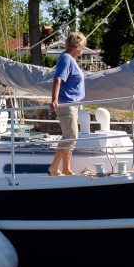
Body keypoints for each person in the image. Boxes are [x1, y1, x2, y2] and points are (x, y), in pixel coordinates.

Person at [48, 31, 87, 176]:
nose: (84, 48)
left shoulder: (70, 59)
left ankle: (66, 169)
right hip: (66, 104)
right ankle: (53, 168)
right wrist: (54, 100)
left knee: (70, 136)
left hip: (73, 104)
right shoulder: (66, 59)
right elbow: (58, 79)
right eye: (83, 45)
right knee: (71, 136)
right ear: (78, 45)